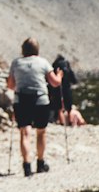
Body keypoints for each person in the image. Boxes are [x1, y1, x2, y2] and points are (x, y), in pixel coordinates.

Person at [8, 38, 62, 174]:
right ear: (37, 50)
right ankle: (40, 162)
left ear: (23, 49)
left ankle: (26, 165)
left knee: (25, 133)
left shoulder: (16, 63)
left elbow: (10, 85)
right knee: (41, 132)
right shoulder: (43, 62)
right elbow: (55, 82)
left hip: (21, 100)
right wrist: (60, 75)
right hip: (40, 100)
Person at [50, 54, 85, 127]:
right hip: (67, 89)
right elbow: (73, 79)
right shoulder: (67, 65)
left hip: (56, 89)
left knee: (59, 108)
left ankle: (62, 123)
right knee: (69, 108)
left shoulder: (55, 65)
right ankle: (70, 122)